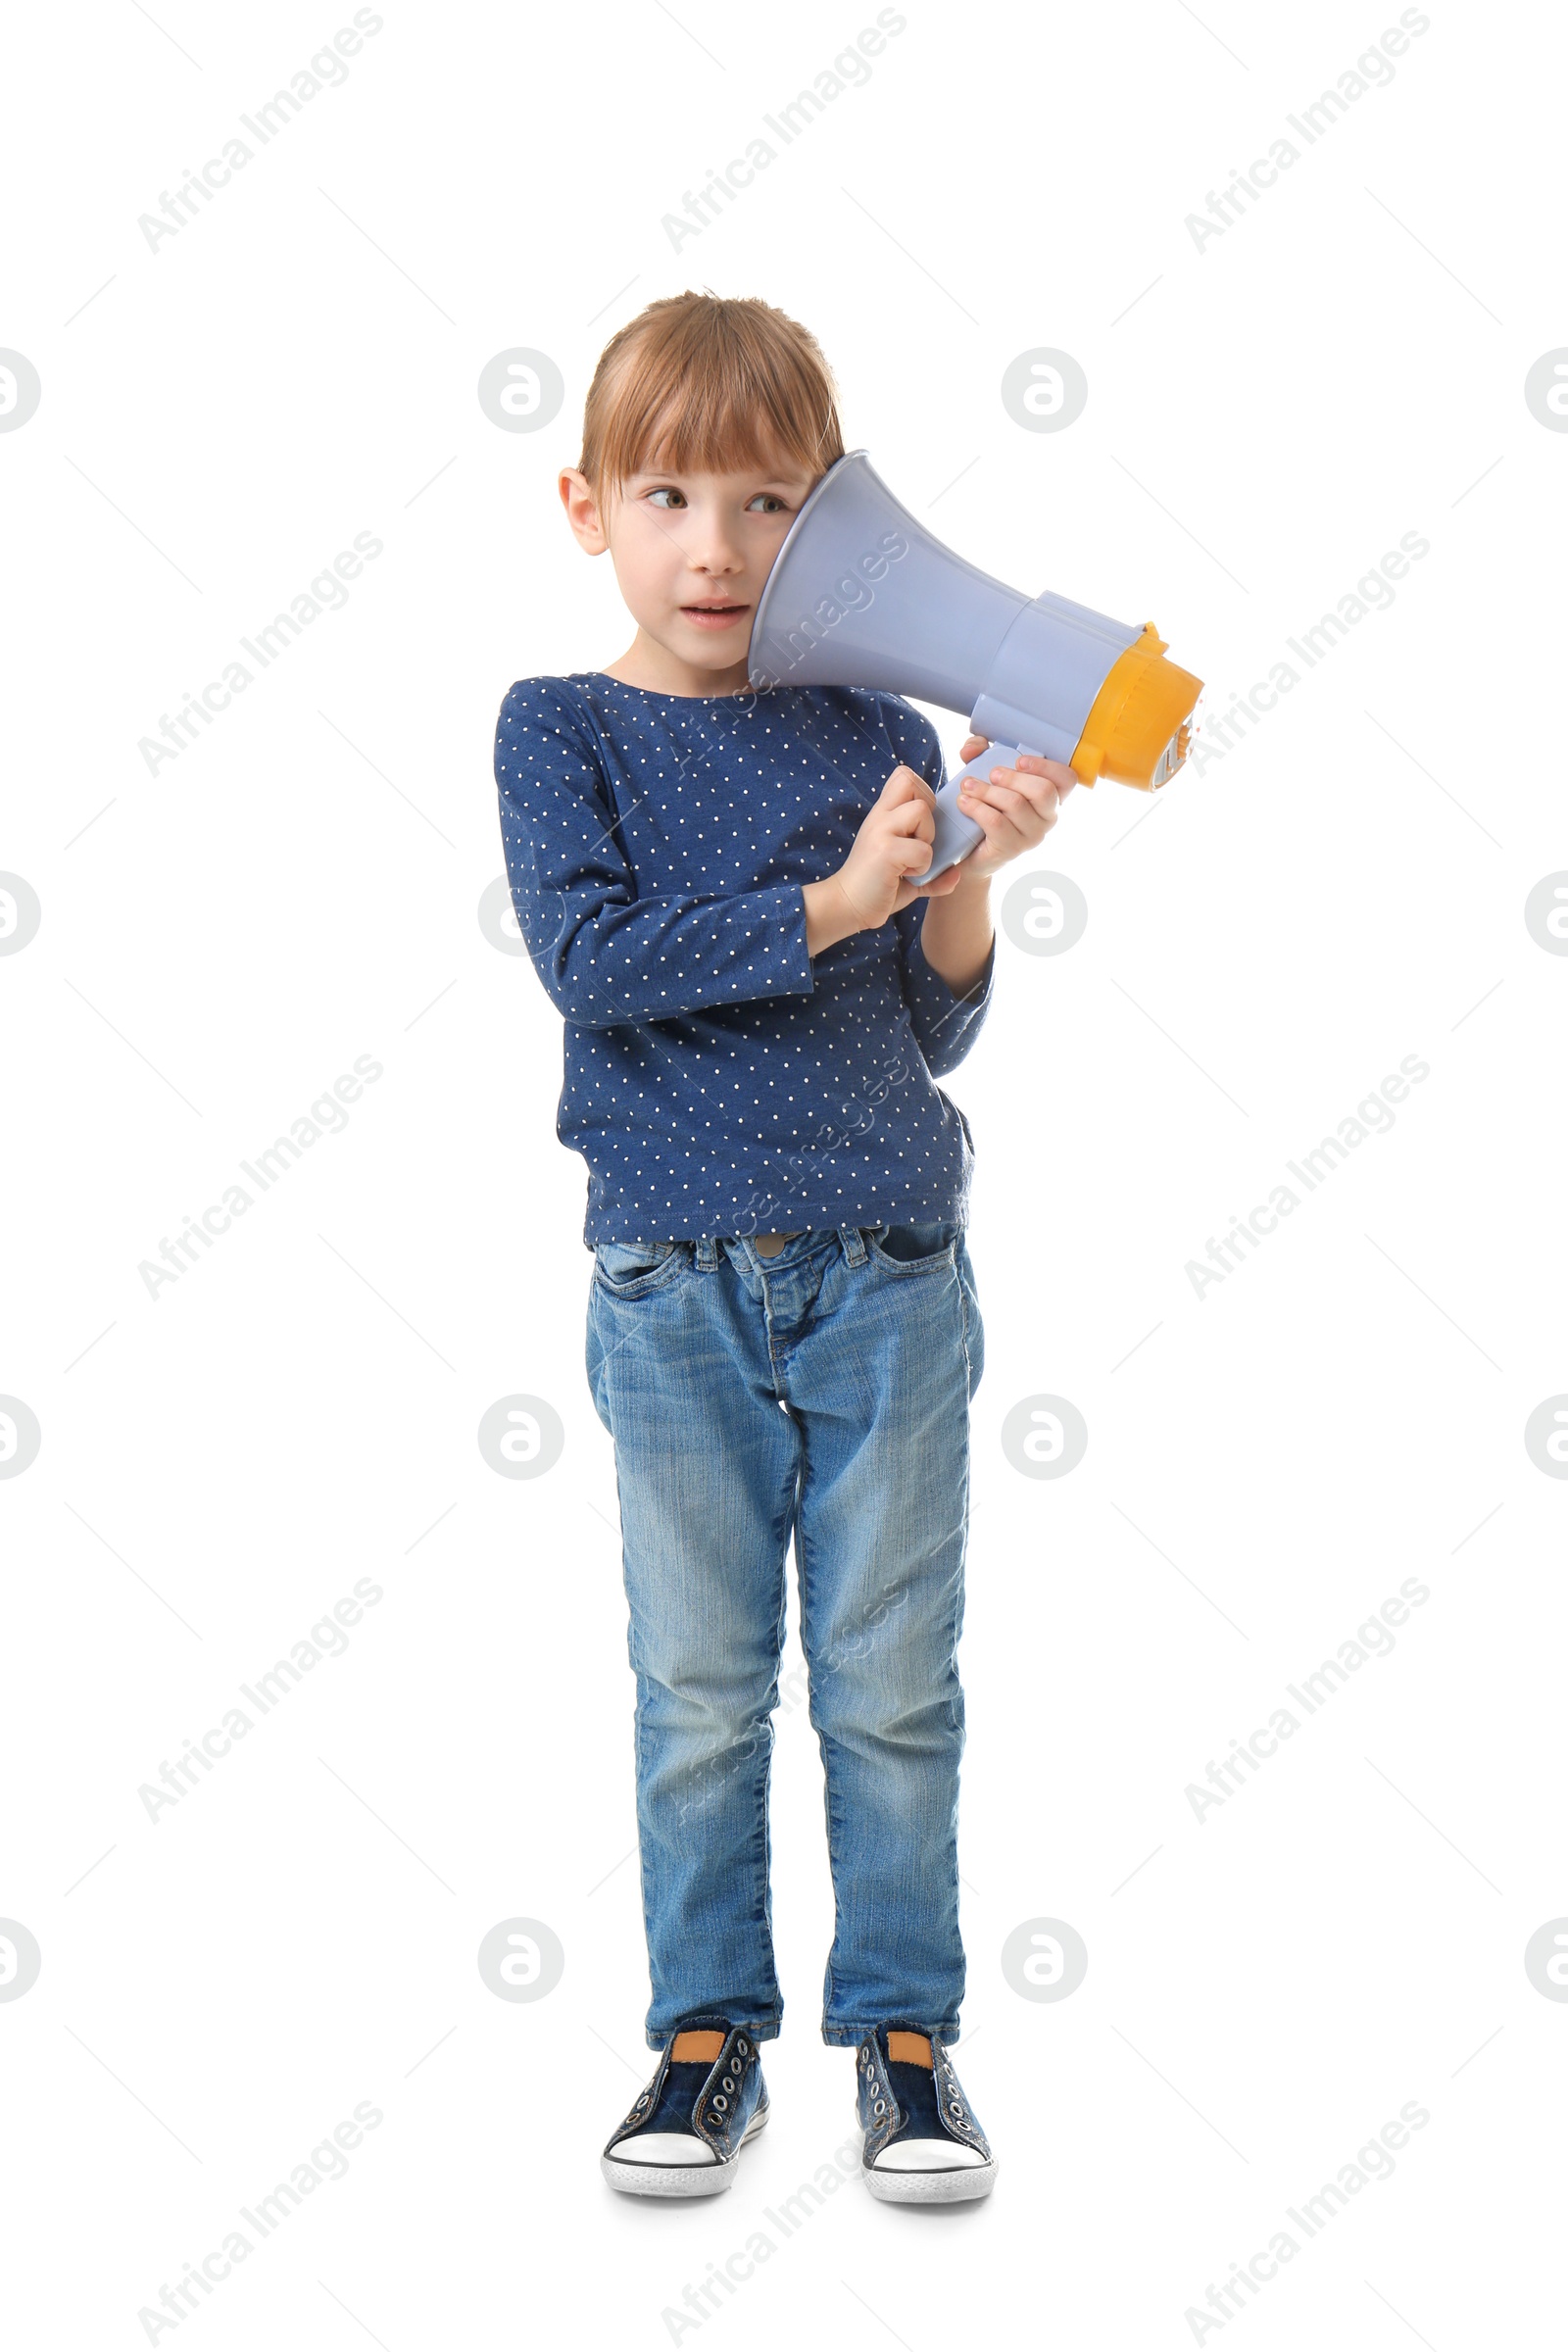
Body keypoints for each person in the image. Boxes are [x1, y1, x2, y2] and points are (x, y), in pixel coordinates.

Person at [493, 291, 1077, 2205]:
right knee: (697, 1686)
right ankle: (699, 2044)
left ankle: (903, 2045)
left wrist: (964, 889)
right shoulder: (559, 732)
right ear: (587, 509)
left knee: (892, 1681)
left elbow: (920, 1026)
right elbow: (597, 973)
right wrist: (832, 895)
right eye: (668, 496)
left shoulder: (870, 726)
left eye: (766, 504)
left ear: (827, 519)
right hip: (670, 1287)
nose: (716, 550)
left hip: (890, 1270)